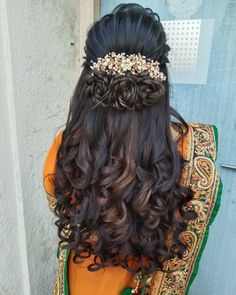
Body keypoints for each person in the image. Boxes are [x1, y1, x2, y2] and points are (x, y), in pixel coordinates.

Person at [42, 4, 223, 295]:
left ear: (88, 80)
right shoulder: (194, 154)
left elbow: (61, 206)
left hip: (81, 283)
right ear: (161, 78)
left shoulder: (66, 150)